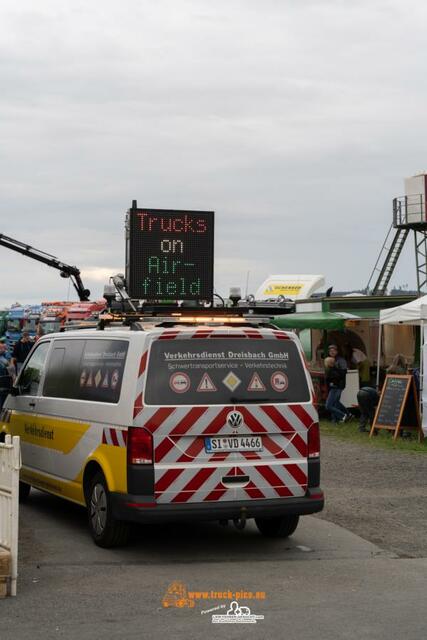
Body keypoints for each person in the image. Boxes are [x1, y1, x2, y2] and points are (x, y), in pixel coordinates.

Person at [324, 345, 352, 423]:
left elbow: (343, 373)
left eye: (333, 351)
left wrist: (333, 368)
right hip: (333, 385)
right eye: (330, 351)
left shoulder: (341, 360)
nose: (332, 352)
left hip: (339, 385)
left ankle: (337, 418)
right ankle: (347, 414)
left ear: (337, 351)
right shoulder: (329, 360)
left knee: (332, 403)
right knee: (336, 402)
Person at [0, 343, 13, 410]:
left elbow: (10, 366)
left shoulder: (4, 356)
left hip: (4, 381)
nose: (3, 350)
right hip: (3, 382)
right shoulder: (3, 359)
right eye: (1, 348)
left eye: (3, 348)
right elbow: (10, 366)